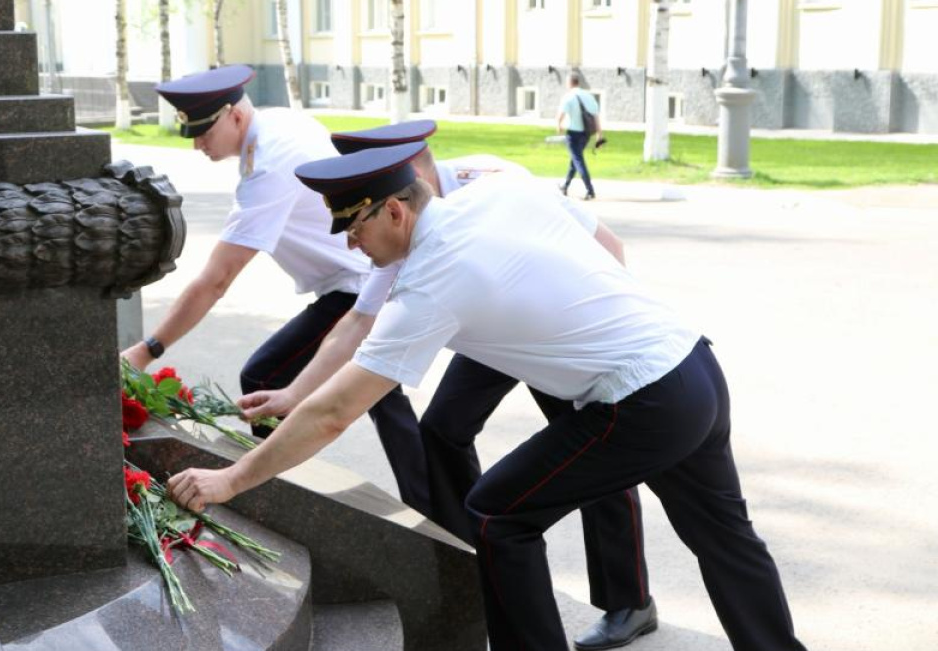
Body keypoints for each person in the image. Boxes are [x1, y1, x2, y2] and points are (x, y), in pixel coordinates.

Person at [168, 142, 809, 651]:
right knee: (726, 537)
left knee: (500, 514)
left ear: (396, 210)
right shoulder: (496, 190)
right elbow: (604, 248)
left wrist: (232, 481)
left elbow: (337, 413)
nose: (347, 244)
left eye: (353, 226)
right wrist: (292, 392)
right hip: (692, 364)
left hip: (640, 402)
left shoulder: (435, 277)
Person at [238, 121, 655, 649]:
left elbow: (603, 249)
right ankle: (475, 559)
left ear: (406, 175)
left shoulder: (492, 181)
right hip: (492, 335)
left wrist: (600, 331)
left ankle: (629, 598)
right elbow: (357, 323)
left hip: (551, 328)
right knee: (442, 428)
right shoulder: (403, 226)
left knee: (597, 449)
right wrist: (296, 393)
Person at [119, 65, 428, 514]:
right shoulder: (273, 125)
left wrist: (148, 349)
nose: (197, 142)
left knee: (266, 379)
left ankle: (275, 497)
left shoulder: (270, 161)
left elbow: (217, 280)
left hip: (359, 284)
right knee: (382, 396)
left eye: (203, 131)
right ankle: (431, 508)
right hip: (358, 281)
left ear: (235, 117)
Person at [557, 73, 601, 200]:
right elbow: (595, 117)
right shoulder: (588, 96)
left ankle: (590, 190)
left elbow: (561, 115)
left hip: (573, 133)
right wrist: (599, 134)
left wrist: (559, 126)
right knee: (575, 160)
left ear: (570, 83)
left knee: (578, 160)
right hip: (586, 133)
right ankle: (565, 186)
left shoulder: (568, 96)